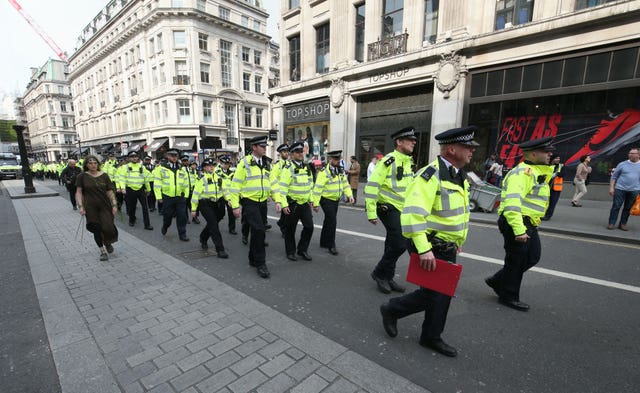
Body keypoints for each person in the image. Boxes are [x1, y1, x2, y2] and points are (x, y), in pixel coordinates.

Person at [379, 126, 479, 358]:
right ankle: (395, 311)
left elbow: (457, 213)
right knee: (436, 295)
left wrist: (457, 239)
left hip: (447, 245)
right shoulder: (430, 174)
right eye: (468, 147)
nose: (472, 151)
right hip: (430, 246)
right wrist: (424, 249)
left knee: (441, 294)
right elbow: (413, 214)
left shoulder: (458, 176)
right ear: (452, 149)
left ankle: (428, 334)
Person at [485, 137, 554, 311]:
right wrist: (519, 230)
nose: (550, 154)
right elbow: (512, 204)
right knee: (516, 260)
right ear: (533, 154)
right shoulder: (522, 173)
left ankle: (498, 280)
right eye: (546, 151)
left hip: (528, 221)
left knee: (532, 257)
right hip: (517, 221)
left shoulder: (536, 171)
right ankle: (508, 296)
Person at [365, 126, 417, 294]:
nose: (414, 142)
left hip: (402, 208)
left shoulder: (408, 161)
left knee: (392, 243)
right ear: (399, 142)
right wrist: (371, 212)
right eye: (410, 140)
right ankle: (379, 273)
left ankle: (388, 276)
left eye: (414, 140)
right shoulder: (389, 160)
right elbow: (372, 186)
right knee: (400, 243)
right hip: (388, 207)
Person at [229, 135, 272, 278]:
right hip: (249, 202)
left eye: (265, 146)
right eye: (262, 146)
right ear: (254, 147)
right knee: (260, 230)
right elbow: (235, 185)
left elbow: (273, 183)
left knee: (257, 231)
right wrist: (235, 206)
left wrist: (279, 201)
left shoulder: (267, 163)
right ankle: (261, 263)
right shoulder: (244, 163)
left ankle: (252, 257)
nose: (265, 148)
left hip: (262, 202)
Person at [276, 141, 314, 261]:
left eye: (301, 151)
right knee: (290, 230)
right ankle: (290, 251)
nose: (300, 154)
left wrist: (312, 200)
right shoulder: (288, 168)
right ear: (292, 154)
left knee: (309, 227)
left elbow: (310, 185)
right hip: (293, 204)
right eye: (297, 152)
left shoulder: (307, 167)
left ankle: (302, 249)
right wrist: (284, 204)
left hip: (304, 203)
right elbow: (282, 188)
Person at [75, 155, 118, 261]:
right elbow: (79, 192)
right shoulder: (82, 176)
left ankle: (108, 242)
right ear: (86, 164)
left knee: (108, 227)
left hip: (105, 206)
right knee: (97, 229)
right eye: (90, 163)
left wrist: (114, 204)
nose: (93, 165)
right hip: (90, 207)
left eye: (95, 163)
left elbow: (110, 191)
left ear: (98, 164)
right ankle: (102, 251)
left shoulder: (104, 176)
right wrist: (80, 206)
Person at [311, 150, 354, 255]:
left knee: (328, 220)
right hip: (326, 199)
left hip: (335, 200)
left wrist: (350, 195)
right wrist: (315, 203)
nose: (338, 161)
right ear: (329, 159)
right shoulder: (323, 172)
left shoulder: (340, 171)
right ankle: (331, 245)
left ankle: (324, 241)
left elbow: (345, 184)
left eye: (339, 159)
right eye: (335, 159)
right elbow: (317, 188)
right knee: (332, 221)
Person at [191, 158, 229, 258]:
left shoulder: (219, 177)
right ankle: (220, 249)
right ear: (204, 168)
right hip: (205, 204)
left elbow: (225, 190)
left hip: (218, 203)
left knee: (216, 220)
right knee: (214, 226)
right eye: (209, 165)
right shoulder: (201, 179)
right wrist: (194, 209)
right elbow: (195, 195)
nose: (211, 167)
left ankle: (203, 237)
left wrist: (229, 200)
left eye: (213, 165)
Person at [154, 149, 190, 241]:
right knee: (168, 216)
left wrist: (186, 195)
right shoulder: (161, 168)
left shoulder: (182, 168)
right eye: (172, 155)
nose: (174, 157)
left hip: (180, 196)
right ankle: (165, 226)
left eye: (175, 156)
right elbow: (157, 183)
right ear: (167, 156)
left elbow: (186, 183)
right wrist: (158, 197)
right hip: (167, 196)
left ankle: (182, 234)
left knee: (182, 216)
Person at [117, 151, 153, 230]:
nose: (134, 158)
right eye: (132, 157)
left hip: (141, 189)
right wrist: (122, 188)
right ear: (129, 158)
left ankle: (147, 224)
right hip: (130, 190)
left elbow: (145, 179)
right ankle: (131, 220)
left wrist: (148, 189)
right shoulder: (125, 167)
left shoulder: (142, 167)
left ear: (138, 158)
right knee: (132, 207)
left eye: (135, 156)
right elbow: (122, 178)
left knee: (145, 207)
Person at [607, 148, 640, 231]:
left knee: (628, 208)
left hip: (634, 190)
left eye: (632, 153)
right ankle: (611, 223)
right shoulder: (622, 164)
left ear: (638, 155)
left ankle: (622, 224)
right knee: (616, 206)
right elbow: (614, 177)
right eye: (629, 153)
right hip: (620, 189)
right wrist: (611, 188)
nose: (630, 154)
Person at [270, 144, 290, 238]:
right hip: (280, 192)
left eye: (287, 151)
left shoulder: (290, 164)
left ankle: (281, 223)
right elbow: (273, 180)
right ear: (280, 153)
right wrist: (276, 194)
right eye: (284, 151)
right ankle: (284, 230)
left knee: (285, 212)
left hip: (288, 192)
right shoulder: (277, 166)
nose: (286, 153)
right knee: (285, 212)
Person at [542, 154, 565, 221]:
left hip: (556, 188)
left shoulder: (561, 166)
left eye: (559, 158)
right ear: (552, 159)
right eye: (556, 158)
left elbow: (562, 174)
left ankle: (548, 216)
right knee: (544, 202)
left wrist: (557, 173)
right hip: (546, 187)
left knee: (552, 203)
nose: (558, 159)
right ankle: (541, 214)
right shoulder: (547, 165)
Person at [217, 155, 237, 235]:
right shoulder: (217, 173)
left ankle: (232, 228)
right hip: (221, 195)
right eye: (224, 163)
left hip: (230, 195)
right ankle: (214, 225)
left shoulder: (232, 173)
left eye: (228, 163)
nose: (226, 165)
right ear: (221, 163)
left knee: (231, 213)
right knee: (220, 213)